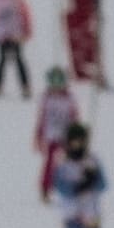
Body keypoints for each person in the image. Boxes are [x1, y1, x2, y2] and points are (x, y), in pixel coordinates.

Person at [33, 66, 78, 201]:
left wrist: (77, 136)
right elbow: (42, 119)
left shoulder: (69, 99)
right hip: (52, 136)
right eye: (54, 82)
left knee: (71, 163)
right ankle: (45, 188)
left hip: (67, 136)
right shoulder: (46, 99)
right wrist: (38, 136)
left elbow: (74, 117)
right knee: (50, 163)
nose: (57, 87)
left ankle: (72, 189)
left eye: (59, 82)